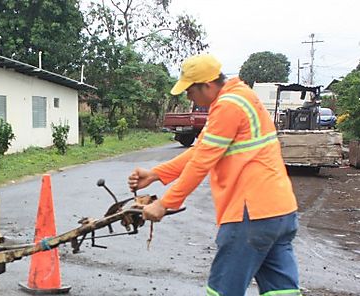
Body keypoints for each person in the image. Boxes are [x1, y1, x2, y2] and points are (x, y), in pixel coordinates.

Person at [128, 54, 300, 296]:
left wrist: (166, 204)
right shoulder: (240, 96)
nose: (188, 97)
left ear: (207, 85)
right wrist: (156, 174)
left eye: (190, 90)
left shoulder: (228, 106)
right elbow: (201, 150)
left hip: (249, 214)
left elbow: (201, 163)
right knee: (281, 291)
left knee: (222, 291)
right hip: (280, 212)